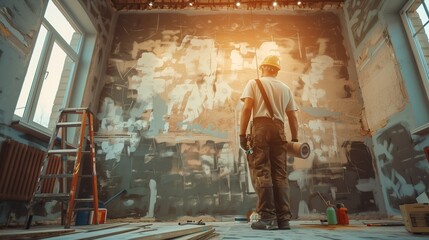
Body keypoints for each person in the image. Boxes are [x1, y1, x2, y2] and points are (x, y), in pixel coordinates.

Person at [239, 55, 299, 230]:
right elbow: (293, 116)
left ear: (263, 67)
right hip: (279, 129)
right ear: (277, 70)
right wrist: (294, 140)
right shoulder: (285, 88)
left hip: (260, 127)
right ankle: (283, 219)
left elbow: (247, 108)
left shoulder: (254, 83)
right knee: (280, 174)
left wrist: (242, 135)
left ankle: (268, 218)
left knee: (263, 171)